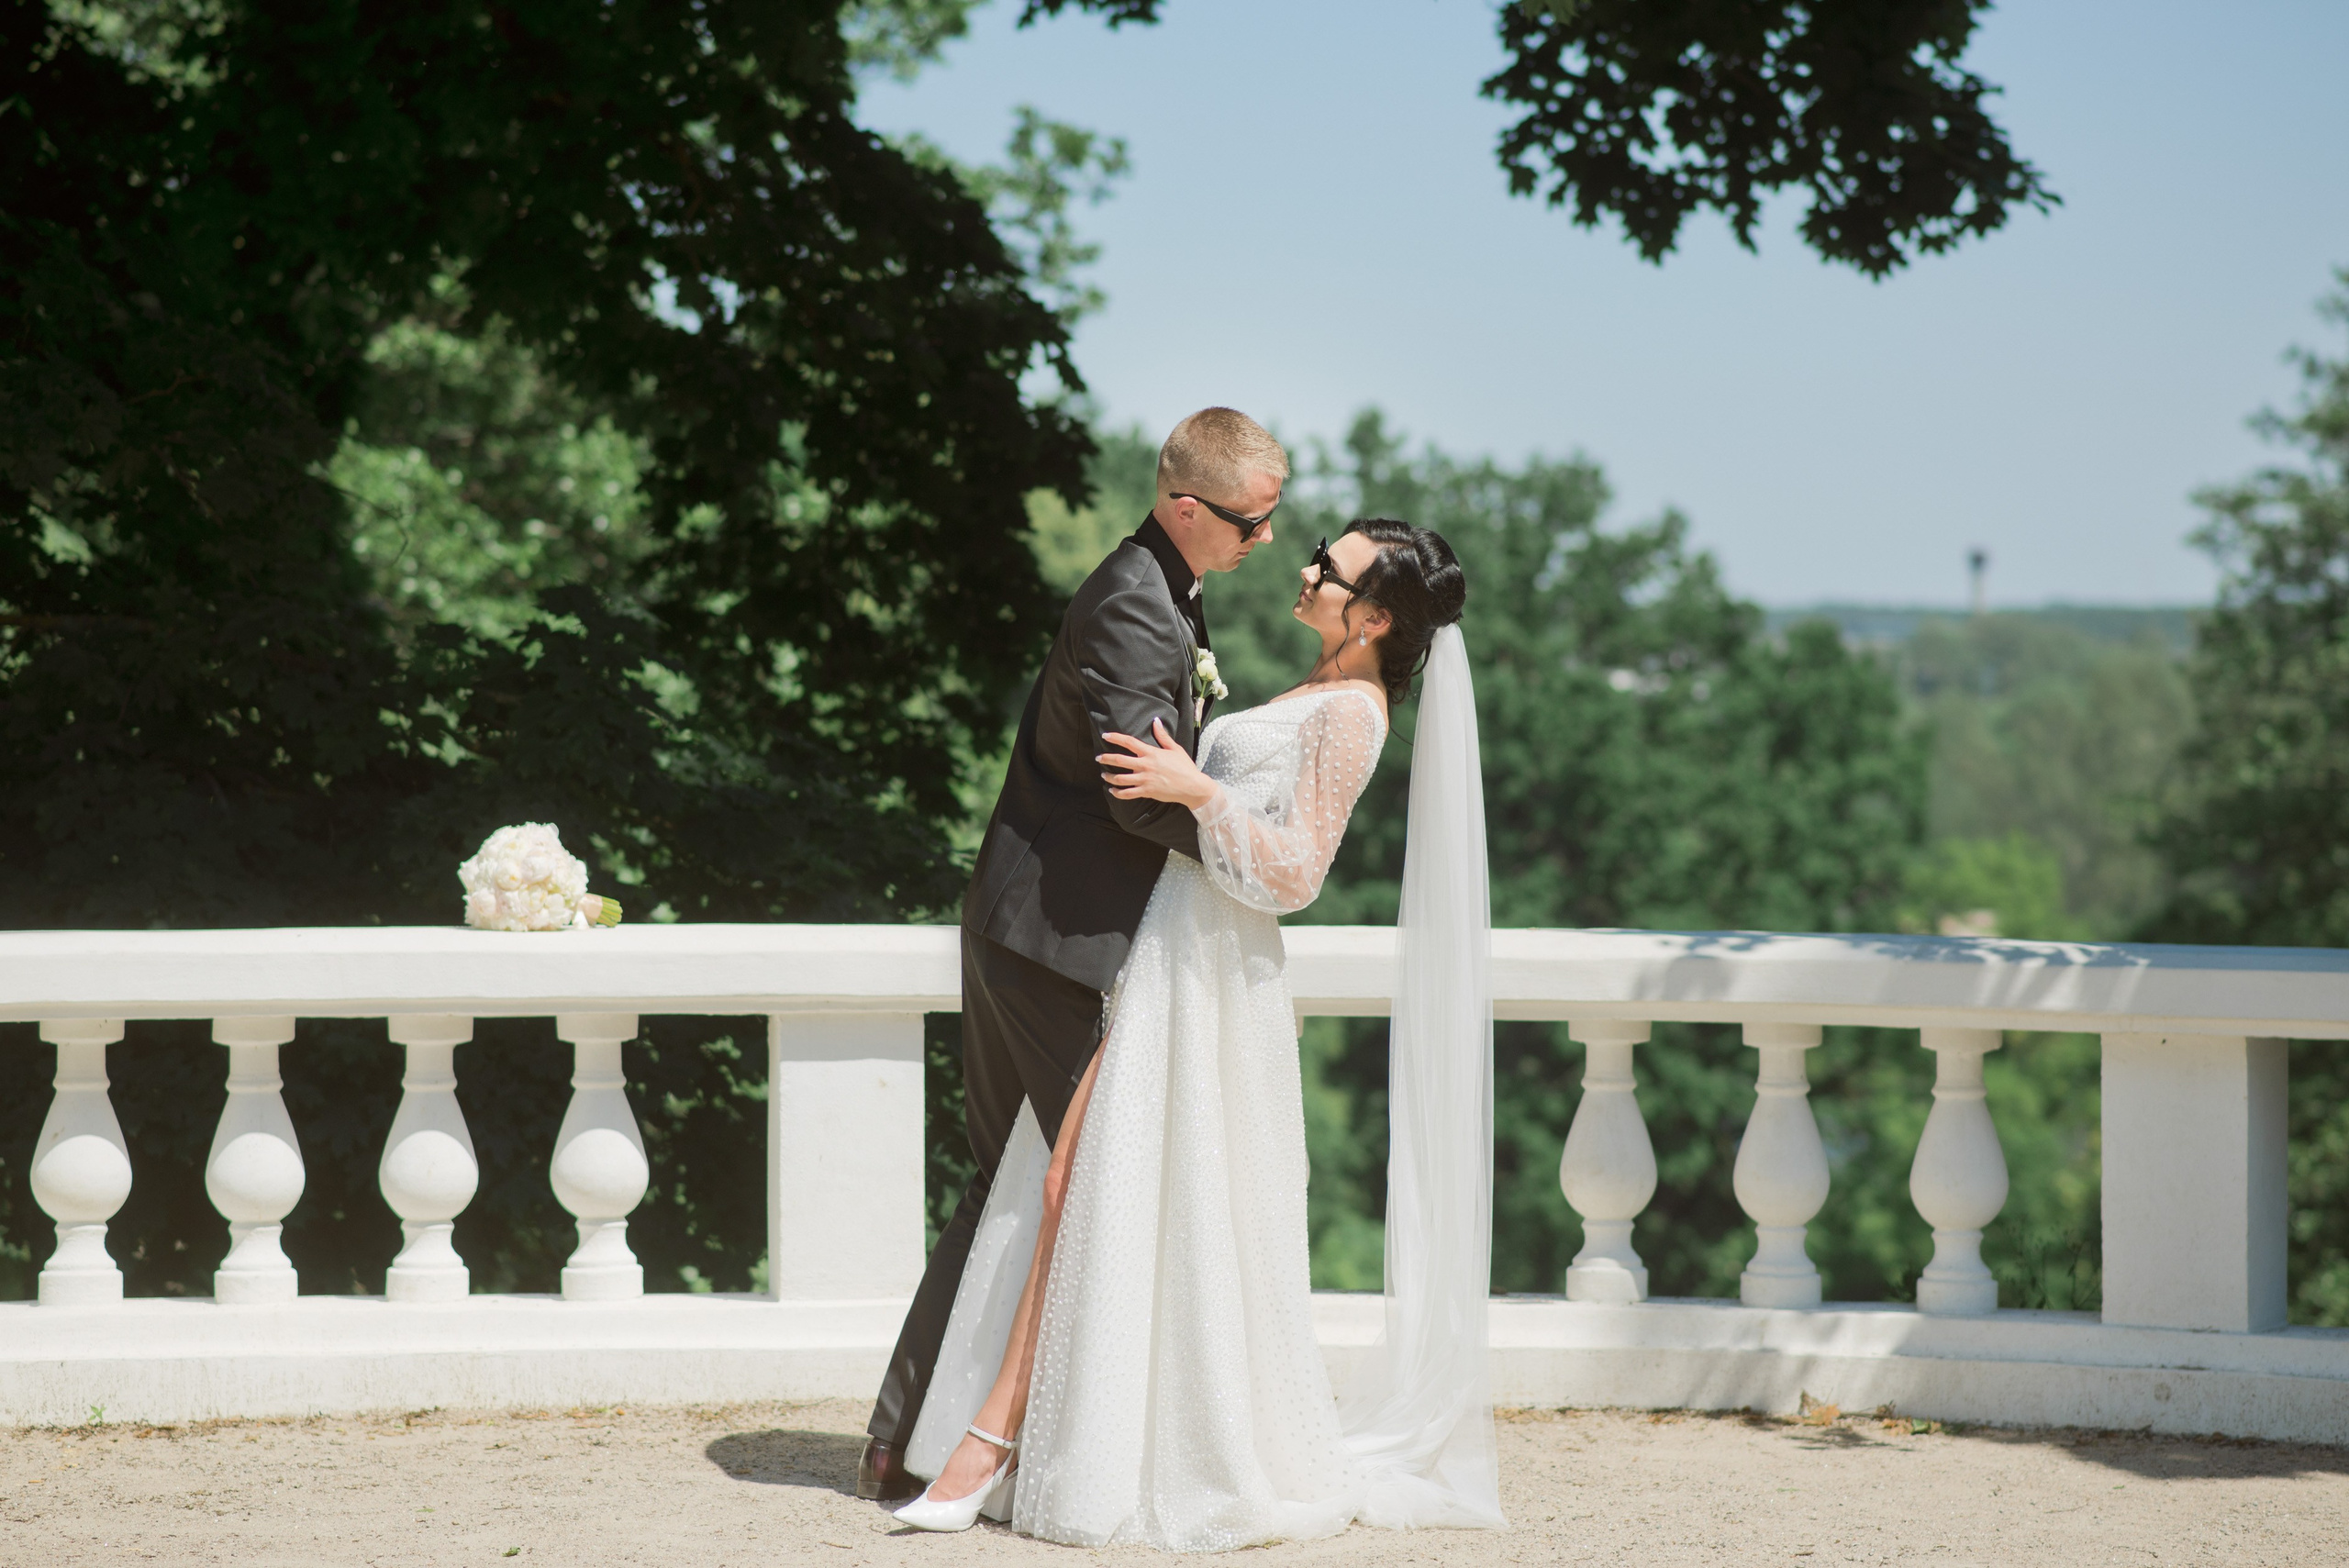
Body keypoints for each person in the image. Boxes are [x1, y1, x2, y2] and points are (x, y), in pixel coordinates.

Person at [892, 517, 1506, 1549]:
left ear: (1376, 616)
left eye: (1331, 566)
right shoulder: (1313, 690)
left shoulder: (1355, 712)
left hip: (1215, 972)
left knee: (1088, 1180)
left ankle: (998, 1442)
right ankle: (1051, 1438)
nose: (1306, 568)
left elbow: (1297, 873)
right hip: (1164, 951)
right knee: (1099, 1186)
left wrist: (1198, 787)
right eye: (1319, 548)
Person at [858, 407, 1289, 1504]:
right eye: (1251, 522)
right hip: (1053, 938)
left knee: (1021, 1174)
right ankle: (959, 1439)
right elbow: (1136, 795)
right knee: (1067, 1178)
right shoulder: (1137, 606)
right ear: (1185, 505)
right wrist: (1256, 856)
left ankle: (913, 1432)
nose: (1266, 542)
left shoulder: (1162, 589)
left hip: (1050, 928)